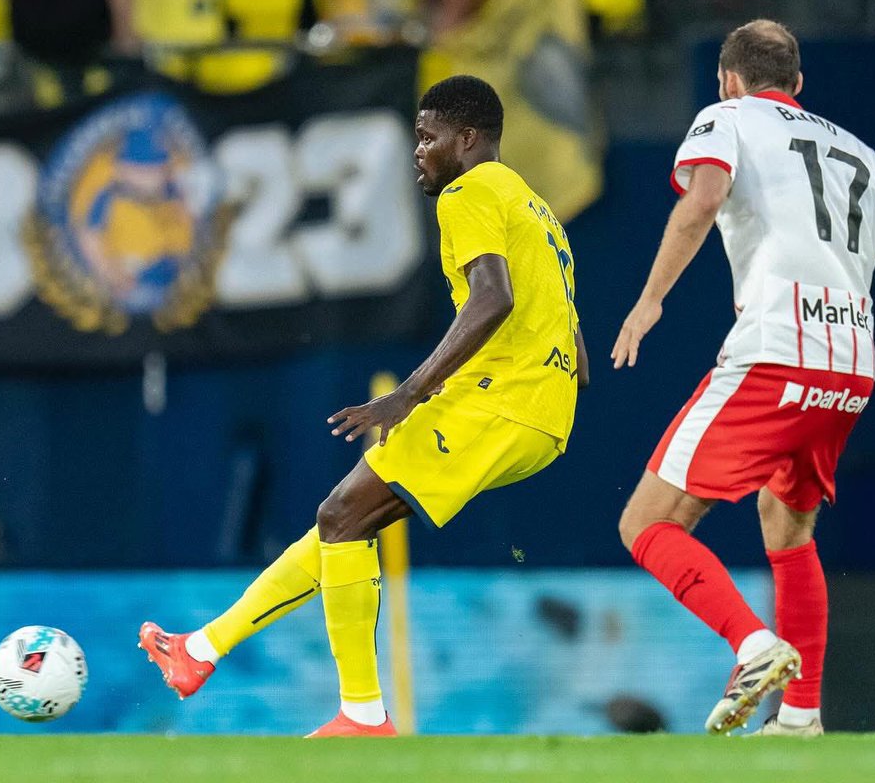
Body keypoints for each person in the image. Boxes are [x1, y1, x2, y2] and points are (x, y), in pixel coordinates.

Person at [139, 74, 589, 737]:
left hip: (499, 401)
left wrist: (408, 395)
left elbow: (494, 298)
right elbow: (572, 336)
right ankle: (201, 651)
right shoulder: (534, 206)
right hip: (542, 413)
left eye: (428, 137)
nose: (419, 151)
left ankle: (361, 714)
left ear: (467, 140)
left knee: (342, 514)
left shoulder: (467, 192)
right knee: (344, 520)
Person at [611, 19, 875, 736]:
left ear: (728, 81)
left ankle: (754, 646)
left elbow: (703, 199)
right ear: (798, 85)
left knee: (646, 522)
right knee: (789, 527)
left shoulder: (727, 117)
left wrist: (649, 300)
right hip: (851, 371)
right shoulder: (860, 152)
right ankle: (802, 718)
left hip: (776, 352)